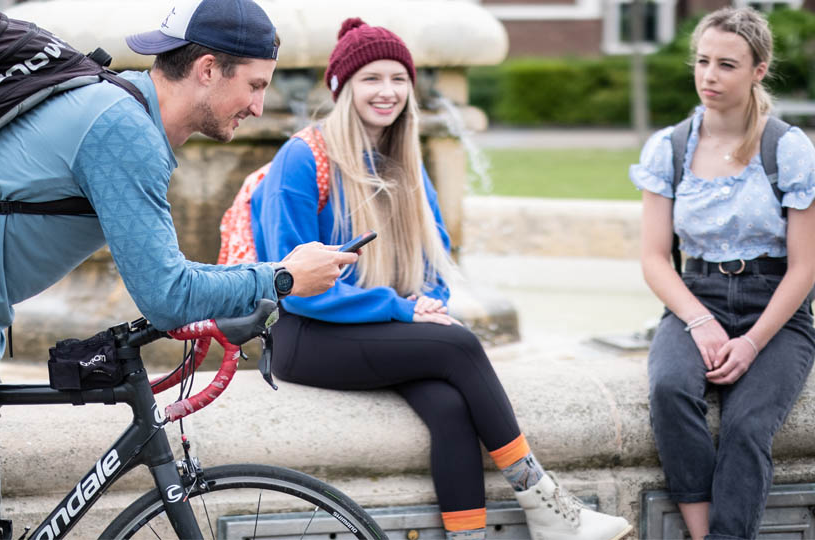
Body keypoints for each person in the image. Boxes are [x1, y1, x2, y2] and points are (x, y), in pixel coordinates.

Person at [0, 0, 357, 537]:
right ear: (208, 70)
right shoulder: (122, 129)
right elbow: (166, 294)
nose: (259, 107)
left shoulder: (118, 108)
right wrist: (281, 279)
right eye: (255, 86)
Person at [250, 18, 632, 540]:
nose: (387, 92)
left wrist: (425, 304)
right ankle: (543, 501)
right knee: (459, 345)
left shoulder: (408, 162)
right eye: (371, 78)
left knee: (450, 408)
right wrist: (402, 310)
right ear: (341, 88)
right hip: (305, 336)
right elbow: (288, 285)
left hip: (369, 335)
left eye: (398, 79)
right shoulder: (302, 158)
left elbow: (434, 267)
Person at [631, 7, 815, 540]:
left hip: (775, 305)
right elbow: (653, 258)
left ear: (759, 70)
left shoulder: (789, 149)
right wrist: (697, 321)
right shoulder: (669, 147)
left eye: (727, 65)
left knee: (746, 424)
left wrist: (754, 342)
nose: (709, 76)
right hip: (697, 295)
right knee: (669, 390)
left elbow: (805, 268)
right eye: (703, 61)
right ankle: (701, 534)